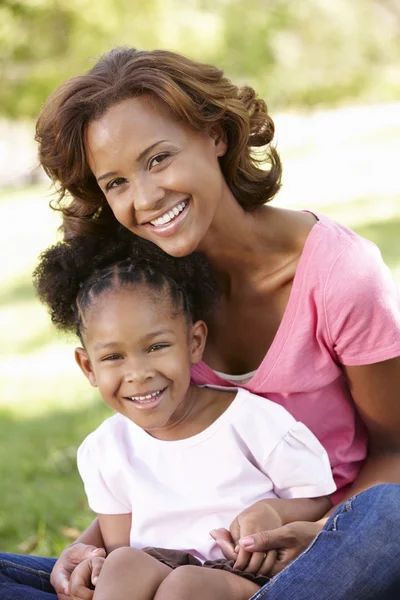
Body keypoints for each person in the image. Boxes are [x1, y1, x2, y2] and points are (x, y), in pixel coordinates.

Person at [1, 46, 400, 600]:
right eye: (115, 182)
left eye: (158, 158)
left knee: (391, 515)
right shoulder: (148, 292)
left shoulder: (340, 275)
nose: (144, 198)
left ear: (215, 136)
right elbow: (161, 464)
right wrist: (88, 549)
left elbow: (396, 452)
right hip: (181, 566)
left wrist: (317, 534)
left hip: (327, 553)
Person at [32, 229, 335, 600]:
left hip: (246, 574)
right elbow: (115, 546)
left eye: (157, 346)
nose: (138, 373)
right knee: (124, 562)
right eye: (113, 357)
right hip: (155, 566)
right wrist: (96, 562)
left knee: (186, 586)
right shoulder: (105, 450)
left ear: (194, 342)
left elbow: (319, 501)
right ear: (88, 366)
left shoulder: (252, 420)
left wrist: (273, 512)